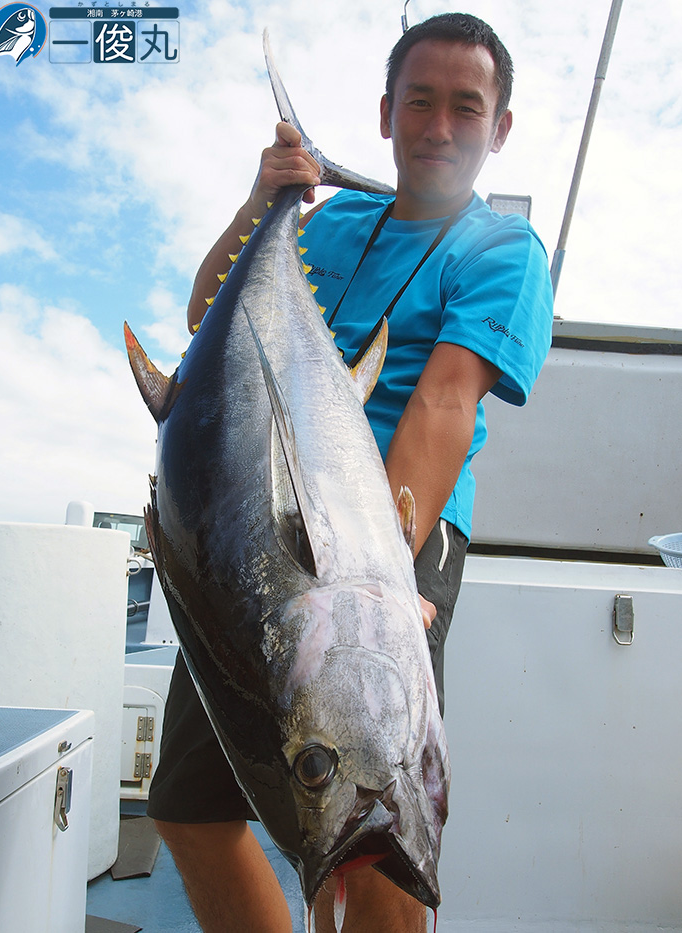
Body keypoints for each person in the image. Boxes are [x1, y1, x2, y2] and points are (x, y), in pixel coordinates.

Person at [147, 12, 553, 933]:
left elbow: (445, 404)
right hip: (252, 522)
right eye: (420, 102)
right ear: (386, 113)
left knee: (379, 816)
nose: (440, 126)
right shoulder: (329, 227)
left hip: (392, 531)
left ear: (500, 126)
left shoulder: (502, 253)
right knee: (187, 802)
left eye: (466, 106)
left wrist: (374, 575)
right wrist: (265, 197)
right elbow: (203, 308)